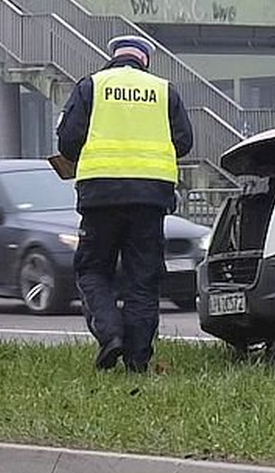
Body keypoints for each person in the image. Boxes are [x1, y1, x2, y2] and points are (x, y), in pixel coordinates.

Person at [57, 34, 193, 373]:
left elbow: (69, 141)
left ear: (113, 57)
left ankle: (110, 335)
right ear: (145, 60)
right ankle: (137, 360)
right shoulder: (164, 91)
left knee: (93, 270)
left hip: (100, 199)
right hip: (149, 201)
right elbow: (184, 142)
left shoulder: (91, 86)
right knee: (143, 280)